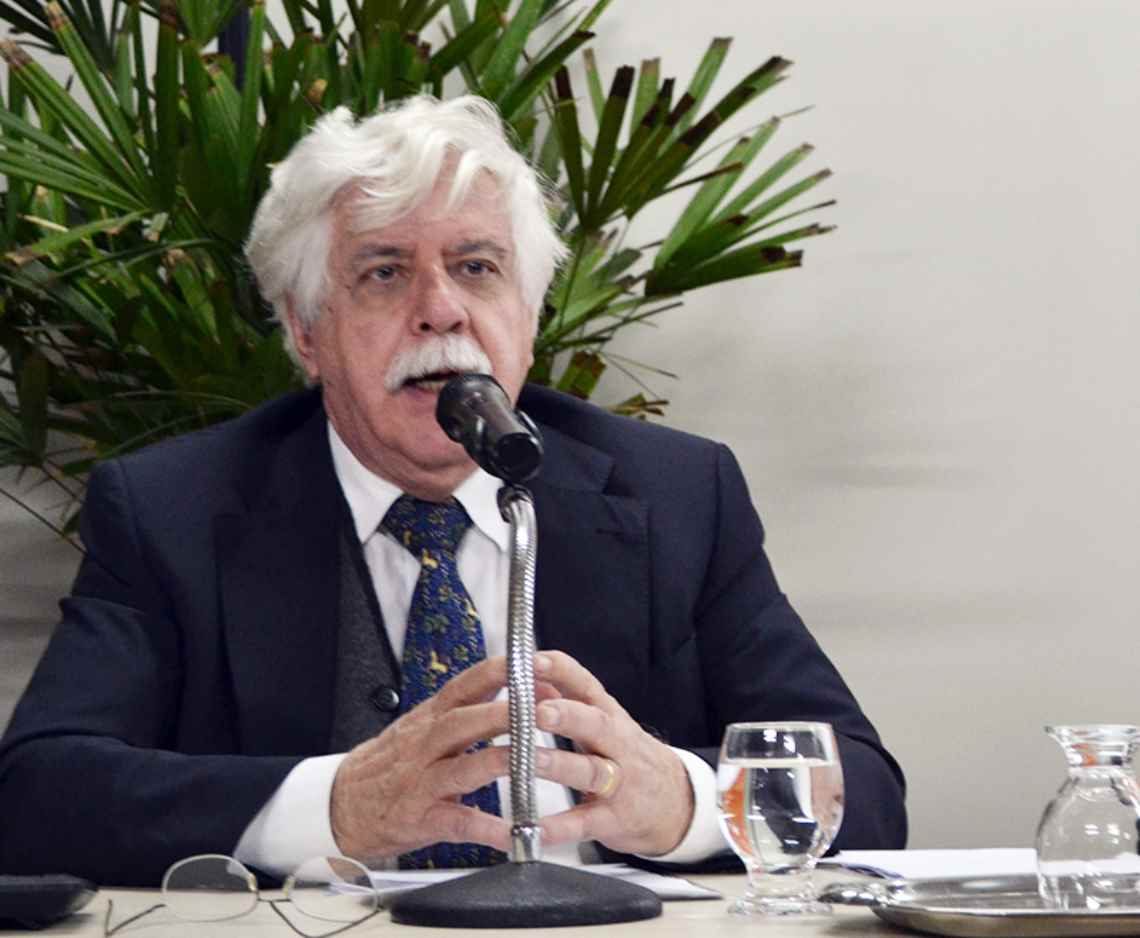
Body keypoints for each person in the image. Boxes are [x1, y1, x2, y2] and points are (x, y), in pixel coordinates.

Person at [0, 96, 906, 886]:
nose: (441, 309)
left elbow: (861, 789)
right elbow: (36, 797)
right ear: (307, 331)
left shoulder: (677, 495)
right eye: (385, 272)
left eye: (477, 267)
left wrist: (683, 802)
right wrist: (334, 805)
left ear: (529, 316)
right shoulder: (173, 510)